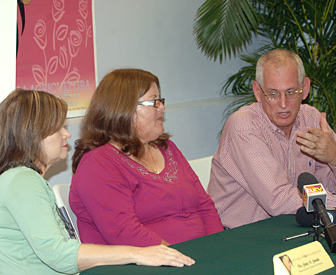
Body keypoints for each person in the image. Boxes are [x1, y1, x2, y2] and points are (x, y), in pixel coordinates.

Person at [0, 89, 194, 275]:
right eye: (57, 128)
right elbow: (59, 255)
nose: (66, 134)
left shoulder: (24, 180)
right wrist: (138, 254)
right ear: (32, 134)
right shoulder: (22, 181)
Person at [208, 49, 336, 229]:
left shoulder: (311, 118)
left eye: (291, 92)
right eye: (273, 94)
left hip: (292, 227)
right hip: (239, 236)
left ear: (305, 88)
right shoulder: (244, 126)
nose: (283, 104)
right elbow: (279, 200)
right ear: (258, 92)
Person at [70, 69, 223, 247]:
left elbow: (205, 206)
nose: (162, 107)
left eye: (161, 100)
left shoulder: (167, 149)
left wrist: (217, 247)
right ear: (125, 108)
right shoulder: (98, 164)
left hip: (198, 257)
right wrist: (185, 259)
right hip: (144, 264)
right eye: (154, 101)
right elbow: (124, 233)